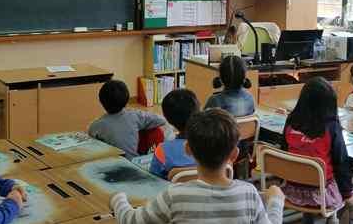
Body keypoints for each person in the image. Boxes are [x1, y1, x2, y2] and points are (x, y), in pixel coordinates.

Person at [110, 108, 285, 224]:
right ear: (234, 154)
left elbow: (131, 220)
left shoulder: (175, 195)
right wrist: (275, 201)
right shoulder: (248, 194)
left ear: (188, 149)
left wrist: (118, 199)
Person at [281, 77, 353, 222]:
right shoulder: (331, 127)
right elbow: (341, 162)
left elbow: (284, 151)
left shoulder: (291, 121)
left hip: (292, 189)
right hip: (321, 194)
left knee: (310, 173)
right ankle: (331, 220)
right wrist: (347, 193)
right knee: (350, 197)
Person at [89, 80, 166, 159]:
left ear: (101, 100)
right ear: (127, 99)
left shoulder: (95, 126)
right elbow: (161, 120)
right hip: (135, 164)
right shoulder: (135, 115)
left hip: (110, 166)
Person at [149, 89, 199, 179]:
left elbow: (153, 180)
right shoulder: (214, 143)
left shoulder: (163, 149)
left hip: (176, 192)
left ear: (167, 119)